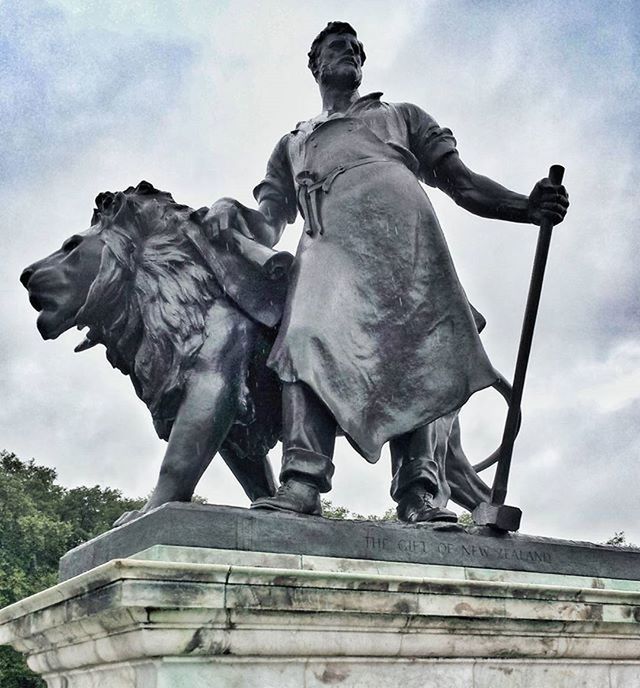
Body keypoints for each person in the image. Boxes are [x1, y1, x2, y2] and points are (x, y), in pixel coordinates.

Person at [203, 22, 569, 521]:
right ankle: (301, 483)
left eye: (356, 48)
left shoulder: (401, 117)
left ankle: (419, 491)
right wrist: (229, 213)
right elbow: (268, 221)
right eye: (338, 47)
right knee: (304, 339)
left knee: (420, 353)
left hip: (408, 247)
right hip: (330, 253)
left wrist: (526, 206)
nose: (350, 53)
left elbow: (461, 183)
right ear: (316, 65)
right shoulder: (293, 143)